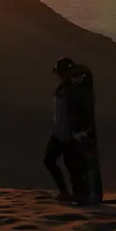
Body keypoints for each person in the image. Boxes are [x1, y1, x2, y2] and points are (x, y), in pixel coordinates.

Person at [54, 57, 104, 205]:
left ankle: (82, 195)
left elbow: (62, 96)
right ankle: (95, 194)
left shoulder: (68, 82)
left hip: (76, 129)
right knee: (91, 161)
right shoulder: (84, 73)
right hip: (89, 128)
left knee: (76, 162)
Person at [43, 58, 75, 201]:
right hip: (63, 132)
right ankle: (68, 191)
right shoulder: (64, 88)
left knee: (52, 161)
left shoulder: (69, 89)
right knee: (66, 163)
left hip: (65, 133)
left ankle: (66, 192)